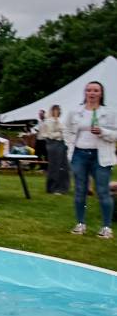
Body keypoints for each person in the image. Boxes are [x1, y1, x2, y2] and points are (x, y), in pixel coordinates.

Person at [64, 81, 115, 239]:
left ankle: (106, 227)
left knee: (103, 191)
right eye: (89, 90)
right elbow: (66, 130)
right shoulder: (75, 112)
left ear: (101, 93)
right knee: (80, 190)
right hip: (79, 154)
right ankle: (80, 224)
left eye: (95, 90)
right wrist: (70, 148)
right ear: (85, 93)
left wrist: (103, 131)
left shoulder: (109, 112)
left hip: (100, 156)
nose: (92, 93)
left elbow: (115, 134)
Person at [39, 105, 70, 194]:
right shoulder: (48, 121)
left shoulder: (59, 120)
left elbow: (64, 130)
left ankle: (63, 188)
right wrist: (60, 134)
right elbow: (50, 134)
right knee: (55, 166)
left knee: (64, 166)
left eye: (58, 110)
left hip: (61, 144)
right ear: (52, 111)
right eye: (55, 110)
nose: (57, 112)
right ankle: (53, 188)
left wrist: (61, 132)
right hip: (53, 144)